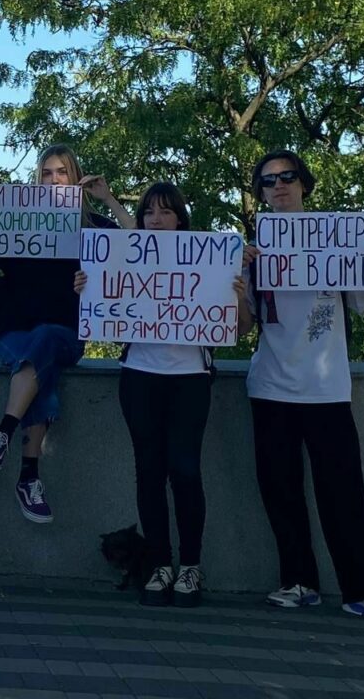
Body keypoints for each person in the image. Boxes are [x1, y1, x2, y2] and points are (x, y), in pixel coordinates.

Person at [74, 182, 252, 607]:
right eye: (149, 213)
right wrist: (89, 287)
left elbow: (239, 331)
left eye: (165, 212)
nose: (156, 219)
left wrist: (239, 300)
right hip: (139, 377)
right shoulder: (128, 259)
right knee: (149, 473)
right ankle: (159, 564)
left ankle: (191, 566)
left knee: (186, 472)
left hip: (191, 378)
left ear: (180, 220)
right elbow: (118, 256)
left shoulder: (207, 263)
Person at [240, 150, 364, 624]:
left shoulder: (339, 243)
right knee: (280, 491)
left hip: (327, 389)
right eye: (269, 182)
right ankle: (298, 582)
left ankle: (363, 590)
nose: (280, 186)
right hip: (269, 387)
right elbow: (243, 326)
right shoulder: (252, 253)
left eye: (288, 177)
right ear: (261, 194)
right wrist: (230, 284)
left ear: (304, 184)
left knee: (343, 495)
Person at [0, 144, 120, 523]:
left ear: (75, 176)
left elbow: (139, 246)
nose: (54, 180)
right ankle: (28, 477)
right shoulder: (18, 219)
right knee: (39, 368)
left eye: (61, 172)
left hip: (64, 329)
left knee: (46, 340)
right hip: (11, 327)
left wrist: (109, 198)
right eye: (46, 173)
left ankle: (3, 431)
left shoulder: (91, 227)